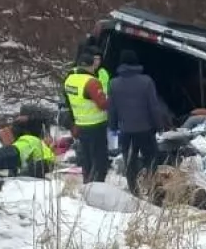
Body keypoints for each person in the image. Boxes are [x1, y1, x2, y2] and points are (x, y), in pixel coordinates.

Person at [107, 47, 171, 195]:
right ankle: (153, 189)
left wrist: (113, 126)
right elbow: (154, 107)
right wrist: (159, 125)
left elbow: (112, 108)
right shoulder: (146, 81)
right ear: (136, 62)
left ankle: (134, 191)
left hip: (126, 131)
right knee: (151, 159)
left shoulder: (113, 83)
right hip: (146, 130)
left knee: (130, 162)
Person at [63, 50, 111, 183]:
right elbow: (103, 104)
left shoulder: (69, 80)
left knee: (86, 159)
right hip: (96, 126)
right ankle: (97, 186)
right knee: (100, 160)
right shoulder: (91, 82)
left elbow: (68, 102)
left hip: (80, 125)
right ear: (91, 66)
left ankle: (87, 183)